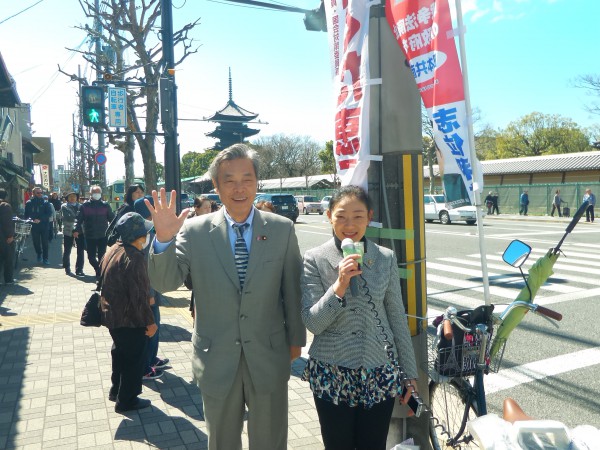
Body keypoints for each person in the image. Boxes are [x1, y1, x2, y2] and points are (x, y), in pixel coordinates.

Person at [146, 143, 305, 450]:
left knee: (271, 441)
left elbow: (292, 289)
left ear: (257, 182)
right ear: (216, 186)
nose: (239, 187)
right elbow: (165, 282)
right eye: (228, 180)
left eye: (247, 178)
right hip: (216, 357)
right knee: (222, 442)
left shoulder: (282, 229)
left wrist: (296, 340)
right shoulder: (193, 230)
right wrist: (164, 239)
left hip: (269, 355)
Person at [301, 185, 419, 450]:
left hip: (379, 371)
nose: (349, 224)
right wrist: (339, 285)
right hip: (332, 372)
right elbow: (312, 322)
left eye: (358, 216)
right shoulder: (314, 259)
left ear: (369, 217)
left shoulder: (385, 258)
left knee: (373, 444)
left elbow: (396, 317)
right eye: (341, 216)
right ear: (329, 215)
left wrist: (409, 375)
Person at [99, 212, 156, 413]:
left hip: (112, 315)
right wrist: (150, 322)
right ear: (138, 235)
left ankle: (116, 390)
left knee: (120, 354)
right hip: (129, 318)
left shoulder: (113, 249)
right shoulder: (135, 257)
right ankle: (127, 400)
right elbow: (139, 296)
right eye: (145, 232)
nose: (148, 236)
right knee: (134, 359)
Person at [134, 196, 170, 381]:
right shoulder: (143, 235)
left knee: (154, 327)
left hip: (152, 291)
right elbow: (144, 270)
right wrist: (149, 295)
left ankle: (151, 359)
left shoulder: (149, 232)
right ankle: (145, 366)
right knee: (149, 329)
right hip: (147, 294)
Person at [73, 185, 114, 278]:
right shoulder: (85, 206)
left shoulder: (105, 205)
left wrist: (117, 229)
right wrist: (75, 230)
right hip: (89, 235)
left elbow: (112, 219)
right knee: (91, 257)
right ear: (90, 193)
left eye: (98, 192)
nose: (97, 194)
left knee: (102, 257)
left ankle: (100, 275)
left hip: (103, 235)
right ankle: (98, 270)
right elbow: (78, 220)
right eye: (95, 192)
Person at [24, 187, 52, 264]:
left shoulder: (46, 203)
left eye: (41, 193)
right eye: (38, 193)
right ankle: (39, 253)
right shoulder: (29, 203)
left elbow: (49, 213)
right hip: (34, 226)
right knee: (36, 242)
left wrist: (40, 219)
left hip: (44, 225)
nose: (40, 194)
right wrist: (32, 220)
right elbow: (26, 214)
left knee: (45, 242)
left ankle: (45, 258)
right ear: (33, 193)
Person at [61, 192, 86, 276]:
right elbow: (69, 217)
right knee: (67, 250)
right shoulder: (64, 206)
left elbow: (83, 218)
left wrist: (77, 230)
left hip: (80, 231)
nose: (72, 198)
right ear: (67, 198)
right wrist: (74, 229)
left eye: (74, 197)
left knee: (81, 250)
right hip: (68, 230)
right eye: (70, 197)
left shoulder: (81, 206)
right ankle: (67, 267)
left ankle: (79, 269)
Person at [0, 189, 16, 285]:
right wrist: (10, 235)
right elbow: (7, 223)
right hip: (3, 237)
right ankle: (8, 279)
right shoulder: (5, 206)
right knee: (8, 257)